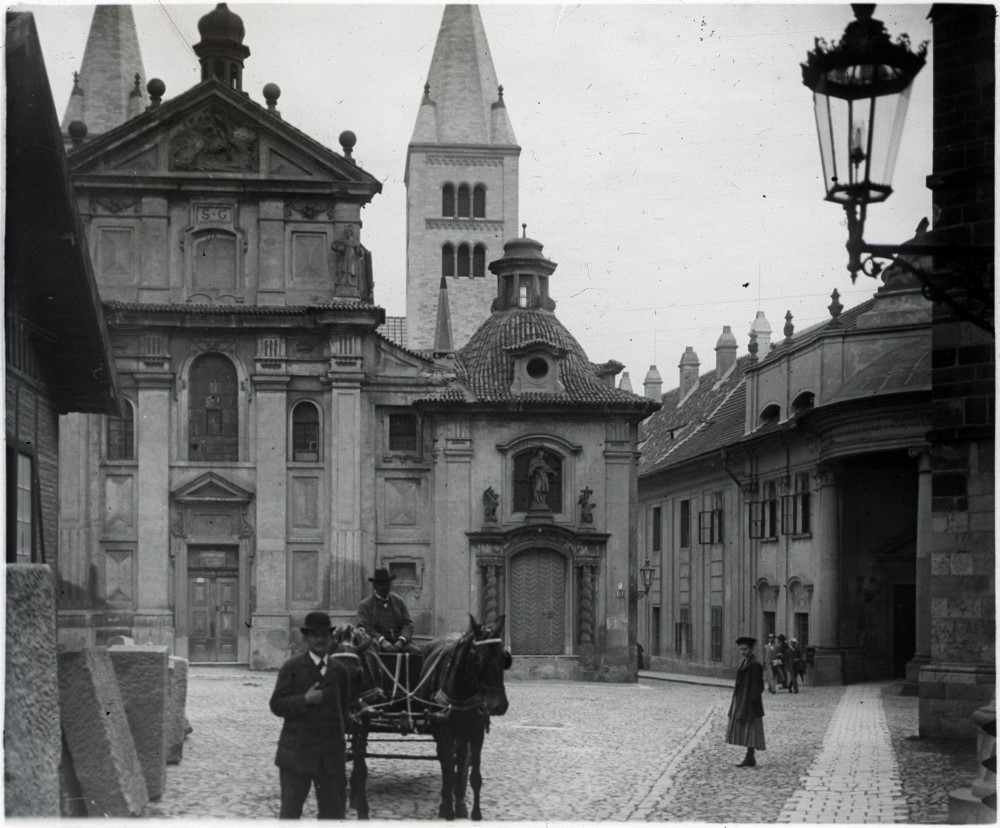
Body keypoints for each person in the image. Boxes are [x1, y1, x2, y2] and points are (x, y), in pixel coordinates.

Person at [269, 611, 353, 819]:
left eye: (324, 635)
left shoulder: (340, 671)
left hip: (330, 759)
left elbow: (344, 710)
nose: (320, 640)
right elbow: (276, 705)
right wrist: (304, 700)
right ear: (306, 639)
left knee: (332, 815)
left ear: (331, 638)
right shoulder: (292, 667)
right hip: (296, 755)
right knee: (290, 814)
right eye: (314, 635)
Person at [357, 567, 420, 654]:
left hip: (400, 644)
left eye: (387, 583)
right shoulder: (365, 605)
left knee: (418, 654)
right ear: (374, 585)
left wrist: (401, 640)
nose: (384, 587)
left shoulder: (399, 601)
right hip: (376, 644)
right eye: (381, 584)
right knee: (370, 656)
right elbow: (364, 627)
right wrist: (381, 640)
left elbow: (408, 623)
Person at [726, 636, 766, 768]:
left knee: (751, 729)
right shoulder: (744, 662)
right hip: (742, 700)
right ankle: (750, 756)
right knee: (747, 730)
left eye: (745, 649)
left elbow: (758, 686)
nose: (742, 652)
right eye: (741, 649)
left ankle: (750, 756)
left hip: (750, 703)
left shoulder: (755, 665)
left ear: (751, 649)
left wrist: (752, 702)